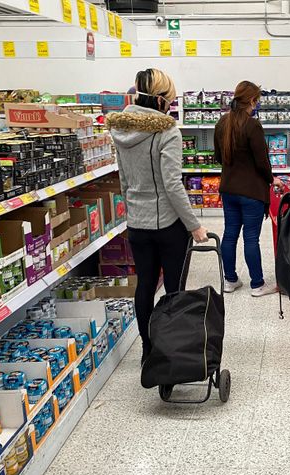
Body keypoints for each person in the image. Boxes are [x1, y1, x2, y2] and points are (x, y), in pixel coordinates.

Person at [106, 68, 209, 365]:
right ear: (162, 100)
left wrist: (133, 210)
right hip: (167, 226)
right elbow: (173, 185)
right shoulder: (167, 132)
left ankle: (148, 349)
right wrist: (195, 226)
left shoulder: (120, 131)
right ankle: (172, 351)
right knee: (175, 289)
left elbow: (124, 180)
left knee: (146, 285)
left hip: (137, 224)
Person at [214, 81, 281, 297]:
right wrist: (273, 180)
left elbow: (218, 157)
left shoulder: (222, 123)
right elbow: (262, 162)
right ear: (252, 100)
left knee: (230, 233)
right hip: (251, 191)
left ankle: (230, 280)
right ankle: (257, 285)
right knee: (251, 237)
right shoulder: (252, 125)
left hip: (228, 189)